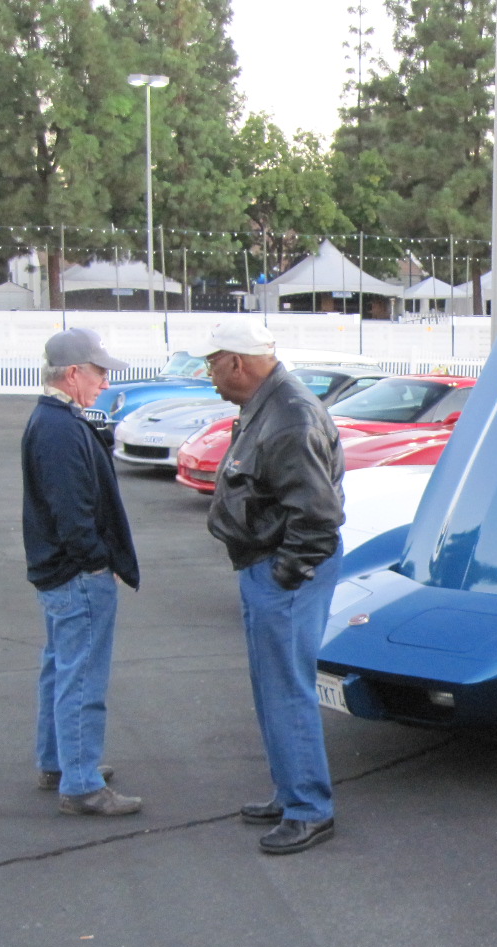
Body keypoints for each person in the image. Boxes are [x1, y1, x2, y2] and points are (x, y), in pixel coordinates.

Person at [199, 317, 345, 855]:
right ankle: (291, 792)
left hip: (285, 571)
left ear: (237, 362)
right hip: (267, 565)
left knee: (287, 690)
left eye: (212, 363)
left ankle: (309, 808)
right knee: (272, 687)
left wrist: (287, 574)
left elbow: (317, 517)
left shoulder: (289, 415)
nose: (209, 374)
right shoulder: (267, 405)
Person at [21, 328, 142, 816]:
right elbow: (72, 512)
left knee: (61, 668)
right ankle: (81, 783)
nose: (105, 380)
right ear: (73, 374)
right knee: (82, 677)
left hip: (58, 571)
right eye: (99, 371)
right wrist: (97, 561)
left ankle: (61, 761)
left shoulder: (53, 420)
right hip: (76, 573)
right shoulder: (59, 427)